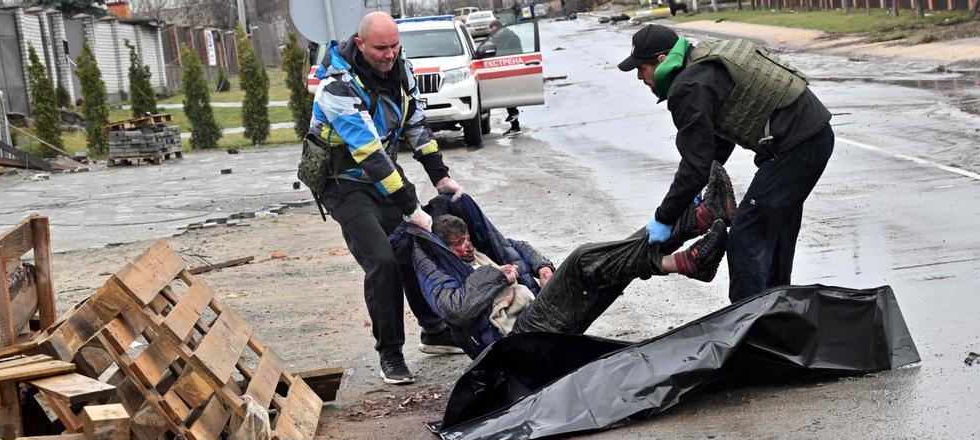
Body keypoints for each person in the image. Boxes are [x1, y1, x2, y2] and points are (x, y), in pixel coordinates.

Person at [410, 162, 736, 355]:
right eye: (456, 245)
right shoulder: (435, 271)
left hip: (536, 315)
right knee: (583, 260)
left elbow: (518, 245)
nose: (466, 247)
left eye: (466, 238)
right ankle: (687, 251)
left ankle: (698, 219)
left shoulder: (479, 249)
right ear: (442, 248)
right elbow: (456, 309)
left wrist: (542, 265)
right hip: (519, 341)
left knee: (612, 262)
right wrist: (498, 277)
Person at [618, 24, 834, 303]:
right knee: (774, 233)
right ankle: (778, 313)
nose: (639, 76)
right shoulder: (702, 62)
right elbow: (719, 139)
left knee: (746, 238)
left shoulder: (688, 86)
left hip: (797, 146)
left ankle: (747, 325)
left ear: (660, 61)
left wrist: (664, 218)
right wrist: (700, 183)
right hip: (812, 136)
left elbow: (694, 164)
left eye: (640, 68)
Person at [308, 11, 465, 385]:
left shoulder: (402, 69)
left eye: (395, 46)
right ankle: (390, 352)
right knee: (382, 260)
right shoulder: (336, 86)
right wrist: (412, 208)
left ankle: (433, 331)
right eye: (381, 48)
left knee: (413, 247)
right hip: (344, 181)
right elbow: (370, 155)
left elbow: (416, 124)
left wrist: (439, 175)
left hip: (382, 177)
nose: (390, 54)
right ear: (361, 45)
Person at [487, 19, 523, 134]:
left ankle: (514, 114)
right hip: (501, 69)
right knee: (506, 95)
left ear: (499, 28)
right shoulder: (495, 39)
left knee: (509, 94)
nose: (493, 34)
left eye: (494, 31)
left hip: (511, 68)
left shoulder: (512, 38)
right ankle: (515, 126)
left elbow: (517, 53)